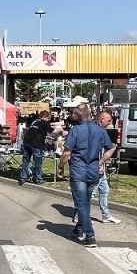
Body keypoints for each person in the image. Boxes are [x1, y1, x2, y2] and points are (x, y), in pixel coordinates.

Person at [61, 102, 114, 246]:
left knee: (81, 203)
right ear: (90, 114)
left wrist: (60, 167)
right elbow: (110, 149)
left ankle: (90, 236)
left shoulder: (76, 130)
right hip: (93, 171)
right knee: (86, 202)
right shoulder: (100, 131)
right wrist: (100, 162)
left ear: (77, 116)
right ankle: (78, 229)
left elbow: (67, 153)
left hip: (78, 170)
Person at [94, 109, 121, 223]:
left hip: (101, 167)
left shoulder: (101, 131)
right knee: (91, 193)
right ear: (102, 119)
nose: (110, 123)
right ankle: (79, 217)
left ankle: (106, 215)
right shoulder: (97, 131)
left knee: (104, 190)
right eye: (108, 120)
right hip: (95, 166)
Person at [19, 109, 52, 185]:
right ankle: (38, 178)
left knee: (25, 161)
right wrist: (60, 130)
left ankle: (23, 177)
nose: (48, 120)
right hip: (36, 144)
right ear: (45, 117)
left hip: (27, 142)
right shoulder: (45, 123)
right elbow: (51, 131)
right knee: (38, 161)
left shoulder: (34, 121)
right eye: (48, 118)